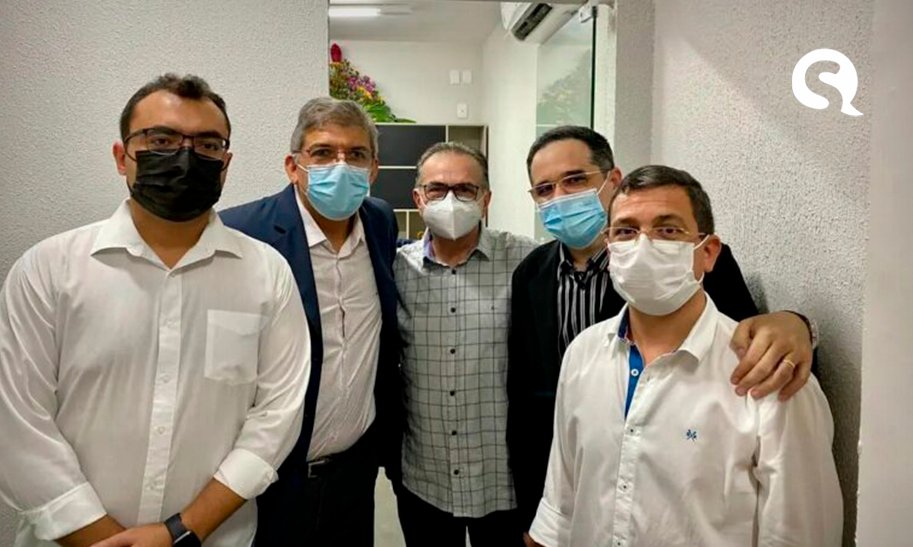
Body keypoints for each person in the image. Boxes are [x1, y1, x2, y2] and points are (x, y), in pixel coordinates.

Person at [0, 74, 310, 547]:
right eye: (161, 140)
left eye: (207, 145)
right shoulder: (48, 270)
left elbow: (277, 417)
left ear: (225, 164)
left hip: (212, 538)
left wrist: (181, 532)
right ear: (121, 156)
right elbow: (18, 424)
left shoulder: (267, 274)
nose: (185, 156)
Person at [508, 126, 818, 540]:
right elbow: (528, 392)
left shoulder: (699, 265)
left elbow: (756, 341)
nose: (560, 197)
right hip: (583, 472)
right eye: (545, 189)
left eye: (575, 180)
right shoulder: (533, 275)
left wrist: (798, 324)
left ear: (612, 180)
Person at [220, 97, 402, 546]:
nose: (341, 166)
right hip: (271, 480)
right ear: (293, 166)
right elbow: (222, 369)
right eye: (322, 153)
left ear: (373, 169)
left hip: (355, 474)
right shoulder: (241, 233)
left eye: (356, 154)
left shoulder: (380, 221)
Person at [393, 142, 537, 547]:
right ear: (418, 199)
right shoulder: (396, 270)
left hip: (504, 483)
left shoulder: (527, 261)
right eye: (437, 189)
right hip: (425, 479)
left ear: (486, 200)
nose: (451, 200)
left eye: (465, 189)